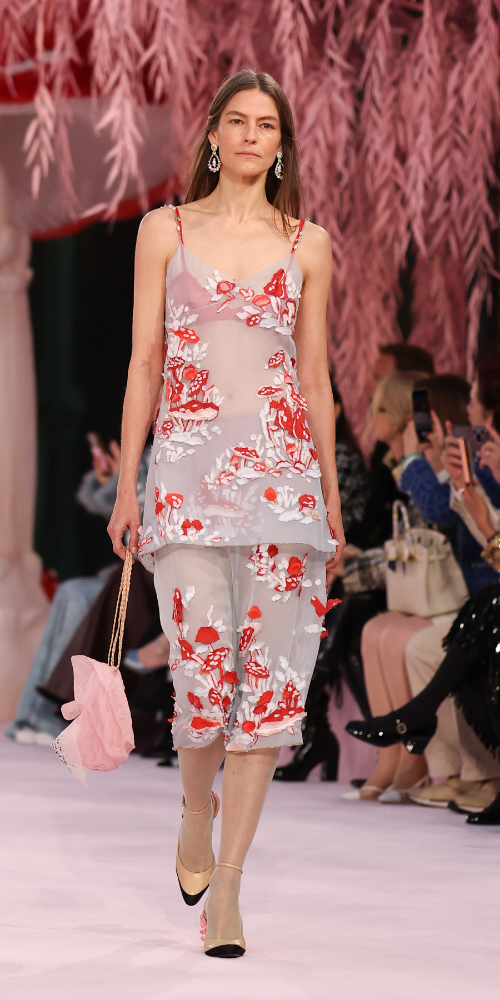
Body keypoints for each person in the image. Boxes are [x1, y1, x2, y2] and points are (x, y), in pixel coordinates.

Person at [107, 69, 344, 958]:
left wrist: (328, 491)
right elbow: (145, 363)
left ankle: (231, 889)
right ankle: (194, 809)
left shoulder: (309, 244)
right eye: (237, 121)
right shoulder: (163, 231)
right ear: (213, 135)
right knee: (203, 683)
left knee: (270, 689)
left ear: (281, 145)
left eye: (266, 125)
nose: (250, 135)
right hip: (186, 479)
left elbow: (315, 377)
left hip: (284, 485)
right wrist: (127, 482)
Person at [273, 377, 369, 781]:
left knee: (314, 622)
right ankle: (312, 733)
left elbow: (324, 516)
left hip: (341, 559)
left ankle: (313, 732)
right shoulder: (295, 452)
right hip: (321, 557)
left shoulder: (338, 457)